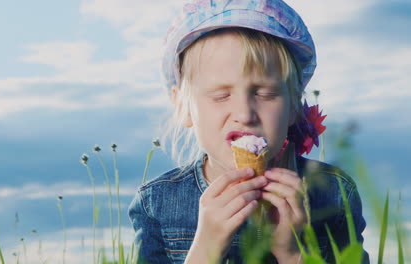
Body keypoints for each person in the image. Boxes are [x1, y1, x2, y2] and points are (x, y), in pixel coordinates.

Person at [128, 0, 370, 263]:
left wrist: (293, 253)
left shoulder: (334, 192)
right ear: (183, 107)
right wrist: (205, 250)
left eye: (265, 93)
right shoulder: (157, 203)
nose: (244, 113)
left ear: (293, 106)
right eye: (221, 95)